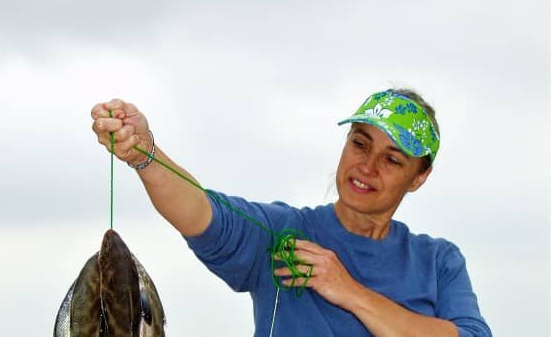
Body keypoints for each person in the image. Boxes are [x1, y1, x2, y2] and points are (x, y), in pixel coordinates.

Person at [91, 89, 492, 337]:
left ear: (419, 178)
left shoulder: (438, 261)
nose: (367, 166)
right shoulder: (283, 232)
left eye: (392, 159)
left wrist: (348, 290)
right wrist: (144, 154)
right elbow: (202, 213)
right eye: (359, 143)